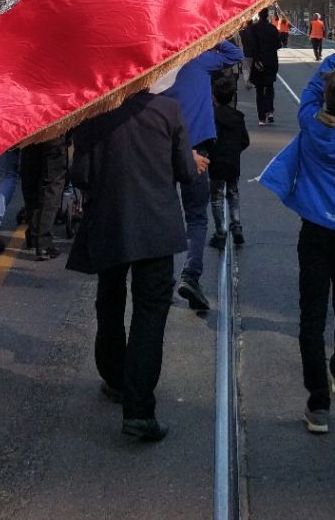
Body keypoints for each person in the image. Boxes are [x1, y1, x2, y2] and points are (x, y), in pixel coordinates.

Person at [258, 28, 335, 433]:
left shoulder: (309, 123)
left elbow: (310, 93)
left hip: (315, 231)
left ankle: (317, 404)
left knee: (312, 313)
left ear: (326, 99)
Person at [68, 87, 196, 442]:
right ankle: (139, 409)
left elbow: (80, 174)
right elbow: (185, 171)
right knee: (150, 314)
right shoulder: (169, 110)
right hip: (155, 227)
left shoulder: (93, 114)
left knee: (109, 300)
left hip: (109, 223)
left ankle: (113, 377)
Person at [165, 39, 243, 312]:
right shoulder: (198, 60)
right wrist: (211, 34)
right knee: (196, 216)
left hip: (162, 149)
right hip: (196, 146)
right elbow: (235, 53)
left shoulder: (159, 63)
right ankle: (190, 275)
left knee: (163, 212)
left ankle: (162, 279)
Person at [208, 74, 250, 249]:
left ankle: (220, 232)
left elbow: (207, 139)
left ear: (213, 97)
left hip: (216, 162)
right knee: (233, 193)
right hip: (233, 162)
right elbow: (245, 141)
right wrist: (235, 151)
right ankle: (237, 224)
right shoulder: (238, 117)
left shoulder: (211, 117)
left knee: (216, 197)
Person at [20, 135, 67, 260]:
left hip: (30, 133)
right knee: (51, 186)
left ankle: (34, 235)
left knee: (31, 183)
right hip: (54, 133)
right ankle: (43, 242)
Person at [250, 7, 282, 125]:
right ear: (268, 15)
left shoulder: (254, 29)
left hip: (258, 62)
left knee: (259, 90)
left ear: (259, 15)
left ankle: (261, 118)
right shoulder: (273, 29)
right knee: (269, 86)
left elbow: (252, 46)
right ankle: (270, 112)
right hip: (271, 62)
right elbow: (279, 45)